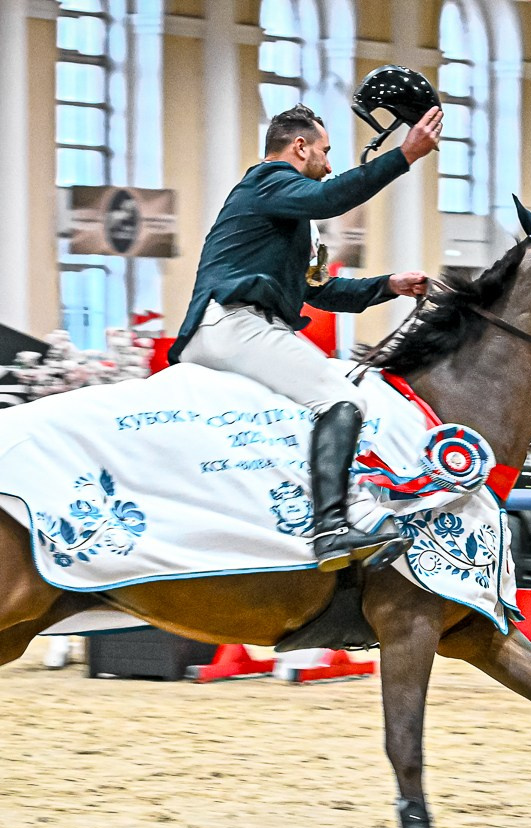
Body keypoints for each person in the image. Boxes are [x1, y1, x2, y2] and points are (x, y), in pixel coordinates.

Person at [170, 101, 443, 572]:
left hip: (242, 327)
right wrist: (405, 155)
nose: (331, 164)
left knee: (332, 396)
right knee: (343, 400)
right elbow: (332, 196)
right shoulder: (267, 180)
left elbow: (320, 290)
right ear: (300, 147)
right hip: (235, 325)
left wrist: (388, 286)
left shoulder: (288, 213)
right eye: (326, 150)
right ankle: (334, 526)